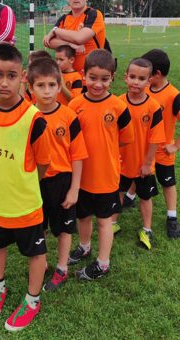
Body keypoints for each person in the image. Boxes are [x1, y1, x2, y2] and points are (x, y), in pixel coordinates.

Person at [0, 43, 50, 331]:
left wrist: (24, 183)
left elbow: (44, 164)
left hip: (25, 205)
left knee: (35, 253)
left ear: (22, 76)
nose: (4, 83)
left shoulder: (34, 120)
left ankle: (32, 300)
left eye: (11, 76)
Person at [67, 49, 134, 280]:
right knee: (83, 216)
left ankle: (103, 264)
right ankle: (84, 247)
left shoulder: (118, 107)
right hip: (81, 176)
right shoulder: (74, 105)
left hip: (106, 176)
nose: (98, 84)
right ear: (83, 75)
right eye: (93, 78)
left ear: (112, 78)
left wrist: (107, 151)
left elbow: (126, 139)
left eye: (104, 79)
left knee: (105, 221)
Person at [27, 57, 88, 291]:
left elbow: (78, 155)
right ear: (30, 87)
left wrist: (74, 189)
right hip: (35, 181)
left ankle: (62, 268)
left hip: (62, 182)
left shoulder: (69, 116)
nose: (47, 91)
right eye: (40, 85)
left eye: (52, 85)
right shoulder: (26, 116)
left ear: (59, 84)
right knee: (38, 226)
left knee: (64, 229)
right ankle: (41, 264)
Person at [143, 49, 180, 238]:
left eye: (147, 74)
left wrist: (175, 146)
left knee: (167, 182)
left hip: (163, 151)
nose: (144, 78)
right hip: (145, 148)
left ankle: (172, 217)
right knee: (138, 174)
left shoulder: (174, 95)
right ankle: (131, 197)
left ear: (156, 74)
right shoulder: (145, 90)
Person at [117, 58, 166, 250]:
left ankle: (147, 229)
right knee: (118, 192)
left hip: (142, 164)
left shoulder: (153, 107)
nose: (136, 82)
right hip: (120, 162)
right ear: (125, 78)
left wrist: (147, 163)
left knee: (145, 197)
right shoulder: (118, 103)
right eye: (132, 77)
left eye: (141, 78)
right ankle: (112, 222)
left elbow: (156, 138)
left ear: (149, 81)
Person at [43, 0, 106, 75]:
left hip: (90, 78)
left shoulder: (94, 14)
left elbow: (80, 38)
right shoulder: (64, 18)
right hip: (67, 77)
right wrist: (69, 44)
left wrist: (55, 30)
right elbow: (48, 42)